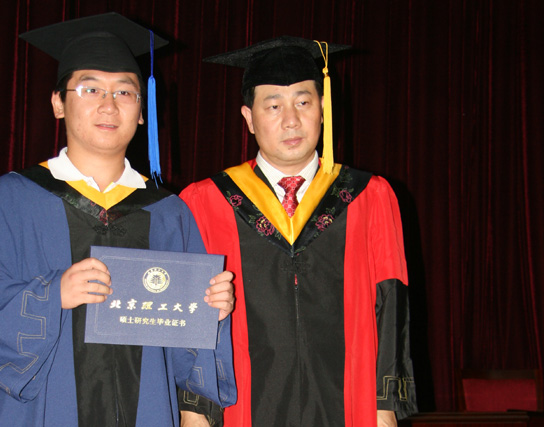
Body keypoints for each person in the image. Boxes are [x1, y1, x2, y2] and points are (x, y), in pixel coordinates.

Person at [0, 13, 236, 427]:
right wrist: (51, 295)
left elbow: (187, 336)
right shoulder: (13, 199)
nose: (108, 105)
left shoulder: (167, 212)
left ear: (142, 111)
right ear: (58, 103)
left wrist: (209, 312)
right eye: (90, 88)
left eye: (124, 92)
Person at [178, 36, 417, 426]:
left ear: (323, 109)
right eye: (273, 106)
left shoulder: (369, 196)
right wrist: (194, 412)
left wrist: (385, 408)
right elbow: (189, 319)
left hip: (350, 407)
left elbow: (391, 306)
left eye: (303, 102)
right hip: (242, 409)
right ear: (248, 118)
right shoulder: (204, 202)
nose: (291, 120)